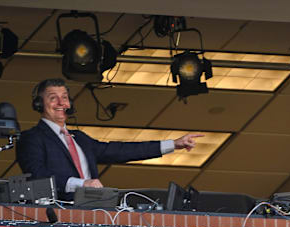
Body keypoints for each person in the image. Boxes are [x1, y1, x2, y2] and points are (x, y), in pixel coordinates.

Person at [16, 78, 202, 200]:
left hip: (92, 211)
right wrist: (82, 184)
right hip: (56, 215)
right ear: (39, 104)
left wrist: (174, 144)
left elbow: (120, 151)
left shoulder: (79, 138)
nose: (60, 103)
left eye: (64, 98)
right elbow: (36, 174)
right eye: (53, 98)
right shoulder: (31, 137)